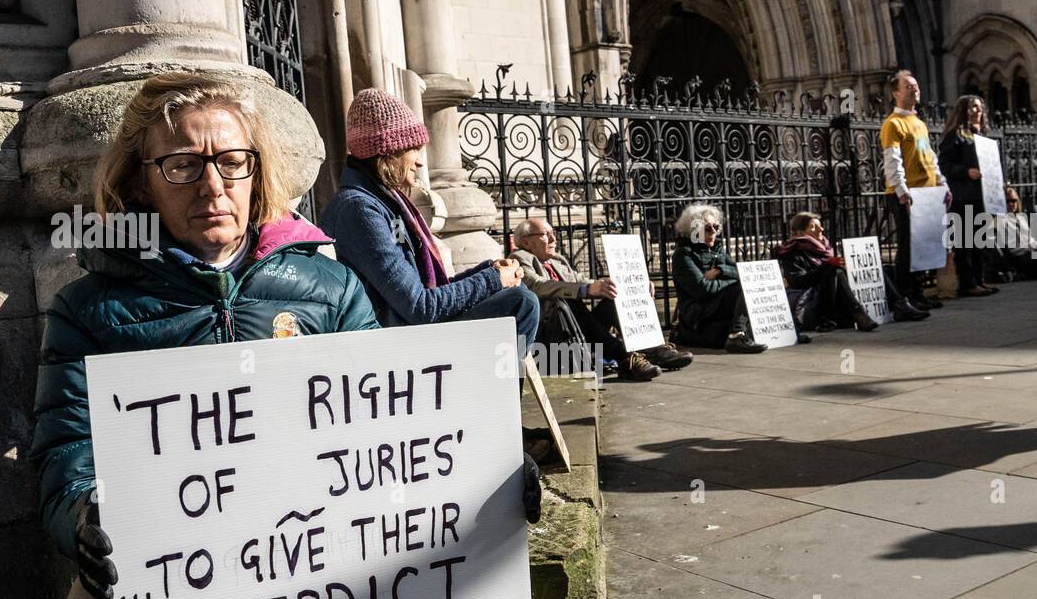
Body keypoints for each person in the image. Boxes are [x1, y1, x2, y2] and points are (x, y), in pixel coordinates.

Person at [29, 73, 541, 599]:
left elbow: (395, 431)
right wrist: (83, 518)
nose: (213, 183)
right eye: (182, 164)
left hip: (318, 542)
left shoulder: (328, 290)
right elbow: (64, 449)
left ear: (256, 170)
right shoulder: (89, 309)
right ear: (142, 183)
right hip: (168, 565)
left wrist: (489, 470)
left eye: (232, 161)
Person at [319, 88, 539, 348]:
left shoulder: (382, 204)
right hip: (394, 343)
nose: (420, 162)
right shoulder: (360, 211)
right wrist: (492, 280)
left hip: (408, 328)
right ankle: (490, 388)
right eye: (413, 150)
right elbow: (421, 306)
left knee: (516, 295)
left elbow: (425, 292)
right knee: (521, 303)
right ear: (388, 154)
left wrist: (488, 272)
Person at [509, 218, 693, 381]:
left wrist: (623, 286)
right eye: (545, 234)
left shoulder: (557, 260)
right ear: (526, 242)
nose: (553, 239)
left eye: (553, 233)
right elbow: (538, 285)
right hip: (551, 334)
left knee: (614, 295)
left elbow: (579, 280)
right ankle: (624, 357)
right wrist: (586, 289)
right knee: (567, 301)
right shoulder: (519, 258)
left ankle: (651, 349)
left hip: (577, 328)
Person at [775, 212, 927, 332]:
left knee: (876, 268)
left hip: (835, 289)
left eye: (820, 226)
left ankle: (899, 305)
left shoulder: (824, 248)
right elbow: (799, 281)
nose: (821, 229)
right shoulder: (791, 251)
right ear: (801, 232)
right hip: (813, 297)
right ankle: (858, 313)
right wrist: (827, 266)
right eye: (813, 227)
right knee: (834, 271)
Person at [880, 69, 952, 309]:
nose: (915, 89)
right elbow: (893, 159)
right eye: (908, 86)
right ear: (895, 92)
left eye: (916, 85)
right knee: (907, 247)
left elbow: (929, 156)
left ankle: (919, 293)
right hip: (907, 195)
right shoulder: (893, 124)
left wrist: (943, 184)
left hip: (928, 193)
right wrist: (901, 190)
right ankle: (906, 297)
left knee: (923, 246)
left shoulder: (918, 123)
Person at [669, 203, 767, 353]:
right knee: (741, 287)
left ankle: (782, 331)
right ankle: (736, 335)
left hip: (717, 306)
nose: (713, 232)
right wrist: (732, 280)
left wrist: (721, 270)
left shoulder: (717, 250)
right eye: (707, 228)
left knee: (750, 282)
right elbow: (703, 289)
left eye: (716, 227)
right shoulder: (683, 255)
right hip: (699, 313)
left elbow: (742, 272)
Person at [937, 94, 999, 297]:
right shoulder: (955, 135)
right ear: (963, 110)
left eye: (980, 107)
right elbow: (944, 165)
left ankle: (979, 280)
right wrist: (966, 172)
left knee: (979, 241)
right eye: (972, 107)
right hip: (963, 196)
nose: (976, 111)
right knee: (964, 242)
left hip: (983, 195)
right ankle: (967, 283)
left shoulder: (984, 136)